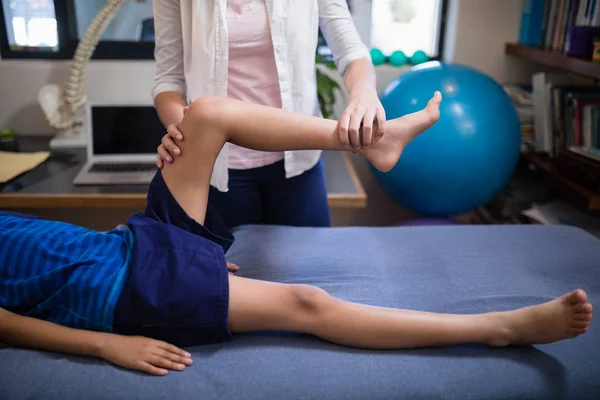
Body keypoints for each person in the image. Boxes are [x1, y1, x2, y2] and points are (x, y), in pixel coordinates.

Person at [0, 93, 593, 378]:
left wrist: (182, 253)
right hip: (129, 291)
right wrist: (108, 344)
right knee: (307, 302)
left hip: (131, 244)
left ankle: (373, 141)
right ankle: (500, 329)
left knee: (207, 115)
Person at [152, 0, 384, 229]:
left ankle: (384, 141)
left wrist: (364, 92)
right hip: (216, 167)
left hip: (298, 162)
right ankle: (383, 142)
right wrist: (184, 132)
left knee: (309, 263)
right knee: (217, 265)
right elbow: (168, 79)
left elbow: (352, 53)